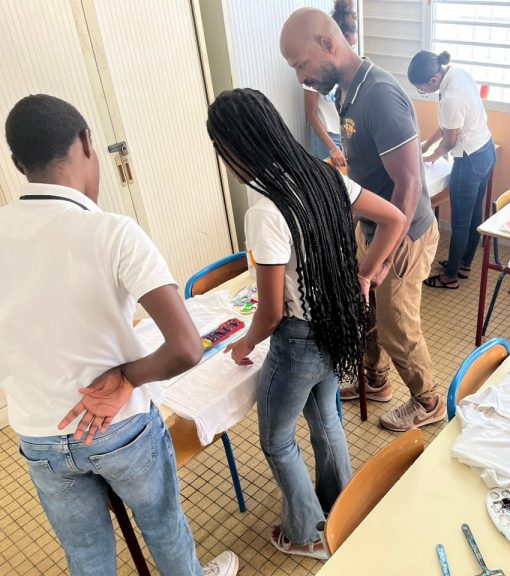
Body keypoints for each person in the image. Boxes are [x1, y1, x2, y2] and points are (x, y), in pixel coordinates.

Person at [0, 95, 238, 576]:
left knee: (86, 555)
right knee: (163, 526)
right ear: (87, 143)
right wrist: (127, 376)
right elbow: (186, 348)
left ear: (18, 163)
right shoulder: (112, 232)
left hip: (39, 431)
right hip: (121, 426)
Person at [206, 88, 405, 559]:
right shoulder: (326, 175)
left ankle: (307, 534)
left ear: (233, 148)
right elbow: (395, 219)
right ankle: (341, 508)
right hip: (337, 327)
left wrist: (244, 345)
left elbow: (271, 312)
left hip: (297, 343)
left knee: (277, 442)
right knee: (326, 419)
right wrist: (365, 276)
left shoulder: (264, 210)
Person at [281, 8, 447, 432]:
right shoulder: (346, 92)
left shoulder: (380, 95)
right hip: (373, 225)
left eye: (301, 65)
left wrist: (381, 260)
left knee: (397, 326)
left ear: (328, 44)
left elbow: (409, 184)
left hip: (404, 232)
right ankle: (375, 379)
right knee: (366, 309)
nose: (301, 77)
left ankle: (429, 401)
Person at [407, 50, 496, 289]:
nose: (423, 92)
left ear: (434, 79)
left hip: (469, 160)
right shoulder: (458, 74)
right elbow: (448, 124)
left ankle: (450, 276)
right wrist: (425, 145)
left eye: (421, 88)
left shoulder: (450, 98)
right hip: (487, 150)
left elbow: (450, 141)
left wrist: (433, 155)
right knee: (474, 215)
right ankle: (464, 264)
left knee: (460, 223)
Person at [304, 0, 357, 167]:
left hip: (347, 134)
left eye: (353, 46)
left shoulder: (352, 66)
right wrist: (332, 148)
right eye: (348, 46)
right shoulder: (314, 68)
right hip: (326, 137)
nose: (351, 51)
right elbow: (311, 114)